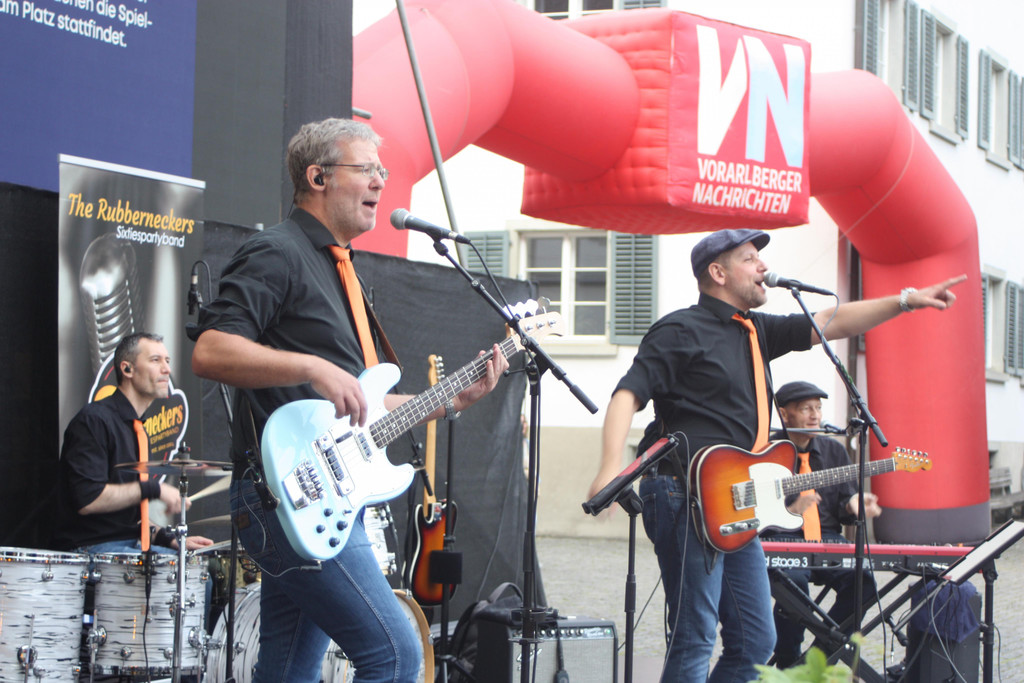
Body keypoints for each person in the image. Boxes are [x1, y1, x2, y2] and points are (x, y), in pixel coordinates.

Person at [191, 117, 508, 682]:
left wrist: (451, 400)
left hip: (321, 499)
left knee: (289, 670)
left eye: (381, 171)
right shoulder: (276, 252)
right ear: (317, 177)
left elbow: (361, 408)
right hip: (282, 495)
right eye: (366, 170)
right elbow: (211, 350)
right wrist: (312, 367)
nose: (381, 182)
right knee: (396, 654)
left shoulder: (344, 272)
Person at [587, 228, 964, 682]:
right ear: (718, 272)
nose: (763, 266)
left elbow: (833, 321)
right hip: (683, 492)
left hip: (736, 500)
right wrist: (610, 468)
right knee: (696, 636)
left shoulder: (756, 331)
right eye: (750, 259)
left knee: (755, 641)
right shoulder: (680, 329)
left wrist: (905, 301)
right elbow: (628, 393)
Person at [52, 332, 214, 554]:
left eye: (167, 361)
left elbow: (130, 521)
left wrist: (170, 539)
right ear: (127, 369)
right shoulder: (94, 421)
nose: (167, 369)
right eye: (155, 360)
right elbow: (88, 500)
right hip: (90, 549)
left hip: (127, 546)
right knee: (175, 570)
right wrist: (155, 489)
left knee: (196, 565)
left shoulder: (138, 429)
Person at [763, 380, 881, 669]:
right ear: (784, 414)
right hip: (781, 539)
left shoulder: (833, 451)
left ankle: (814, 661)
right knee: (793, 584)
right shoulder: (765, 451)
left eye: (818, 408)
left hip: (827, 538)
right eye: (806, 408)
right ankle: (788, 658)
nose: (815, 415)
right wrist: (792, 509)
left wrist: (854, 505)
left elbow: (845, 502)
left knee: (863, 582)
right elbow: (755, 509)